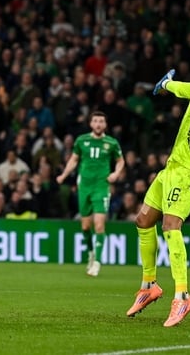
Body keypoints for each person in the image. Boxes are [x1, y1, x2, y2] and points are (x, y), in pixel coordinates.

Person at [125, 45, 190, 327]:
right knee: (144, 220)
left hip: (189, 172)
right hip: (172, 168)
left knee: (171, 227)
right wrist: (167, 83)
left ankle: (182, 297)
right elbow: (187, 88)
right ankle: (149, 286)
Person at [55, 111, 124, 277]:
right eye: (95, 121)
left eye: (101, 121)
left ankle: (97, 263)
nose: (98, 124)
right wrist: (64, 175)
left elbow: (121, 161)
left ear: (105, 125)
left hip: (101, 187)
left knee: (99, 225)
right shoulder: (81, 141)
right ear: (91, 124)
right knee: (85, 226)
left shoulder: (111, 143)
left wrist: (115, 174)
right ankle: (91, 253)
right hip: (84, 186)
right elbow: (74, 159)